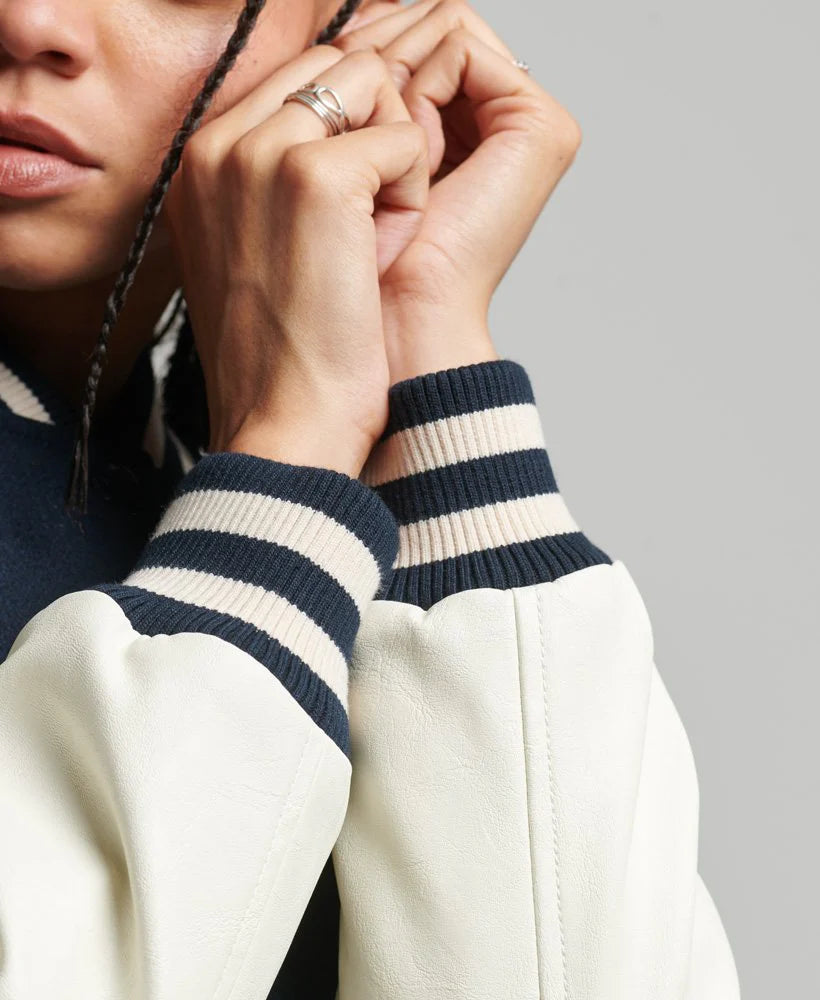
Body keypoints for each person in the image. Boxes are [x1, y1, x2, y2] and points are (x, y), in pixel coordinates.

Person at [0, 0, 741, 997]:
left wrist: (414, 324)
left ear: (354, 28)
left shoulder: (225, 499)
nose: (29, 19)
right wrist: (286, 451)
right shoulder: (264, 496)